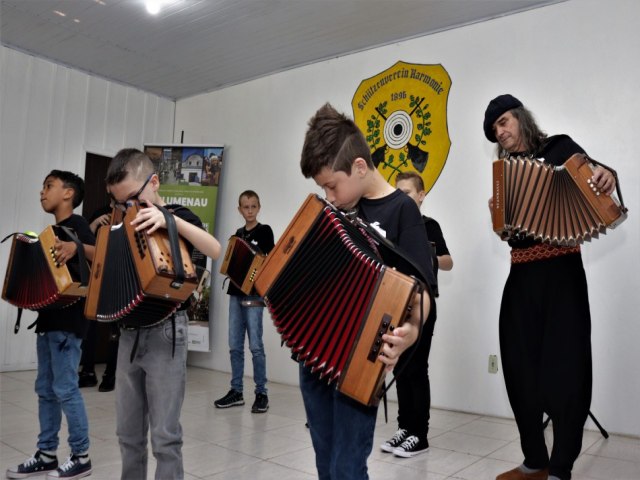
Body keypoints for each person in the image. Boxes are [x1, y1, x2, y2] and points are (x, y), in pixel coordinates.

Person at [298, 103, 434, 479]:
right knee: (325, 461)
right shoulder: (332, 212)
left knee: (347, 468)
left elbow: (422, 291)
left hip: (362, 360)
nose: (328, 195)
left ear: (359, 167)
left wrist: (412, 331)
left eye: (331, 185)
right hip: (315, 358)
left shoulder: (402, 210)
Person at [484, 95, 616, 480]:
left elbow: (597, 181)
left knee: (568, 366)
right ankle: (535, 458)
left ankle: (561, 465)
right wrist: (498, 215)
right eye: (495, 129)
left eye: (504, 121)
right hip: (522, 272)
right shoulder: (504, 172)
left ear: (520, 118)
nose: (501, 132)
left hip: (563, 271)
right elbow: (506, 232)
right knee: (518, 363)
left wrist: (606, 174)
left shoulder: (560, 147)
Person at [105, 148, 221, 480]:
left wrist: (168, 219)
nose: (126, 209)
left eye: (131, 200)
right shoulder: (124, 223)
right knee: (128, 435)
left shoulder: (179, 215)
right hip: (128, 334)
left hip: (167, 332)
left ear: (153, 182)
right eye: (118, 203)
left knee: (165, 438)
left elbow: (214, 249)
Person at [6, 170, 95, 479]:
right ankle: (46, 453)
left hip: (69, 322)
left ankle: (81, 455)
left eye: (48, 186)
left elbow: (100, 255)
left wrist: (77, 248)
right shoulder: (51, 231)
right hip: (48, 321)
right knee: (45, 389)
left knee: (66, 388)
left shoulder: (78, 225)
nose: (42, 192)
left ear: (68, 193)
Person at [378, 170, 453, 457]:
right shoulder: (392, 226)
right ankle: (404, 427)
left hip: (423, 306)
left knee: (417, 369)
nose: (403, 198)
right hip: (396, 303)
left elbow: (448, 262)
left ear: (421, 195)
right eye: (398, 192)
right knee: (400, 367)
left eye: (407, 192)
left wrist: (425, 254)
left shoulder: (429, 226)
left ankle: (419, 434)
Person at [214, 190, 275, 413]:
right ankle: (236, 391)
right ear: (239, 210)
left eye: (253, 206)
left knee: (256, 345)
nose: (249, 211)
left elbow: (268, 262)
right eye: (245, 207)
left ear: (258, 208)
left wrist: (253, 274)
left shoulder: (265, 231)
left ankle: (261, 393)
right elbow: (230, 264)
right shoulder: (237, 235)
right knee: (234, 345)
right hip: (236, 293)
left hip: (254, 295)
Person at [77, 204, 119, 392]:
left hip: (118, 280)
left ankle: (111, 374)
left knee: (115, 330)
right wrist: (93, 224)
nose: (112, 205)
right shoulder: (99, 213)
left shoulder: (132, 215)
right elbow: (85, 246)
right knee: (89, 325)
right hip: (97, 277)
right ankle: (87, 372)